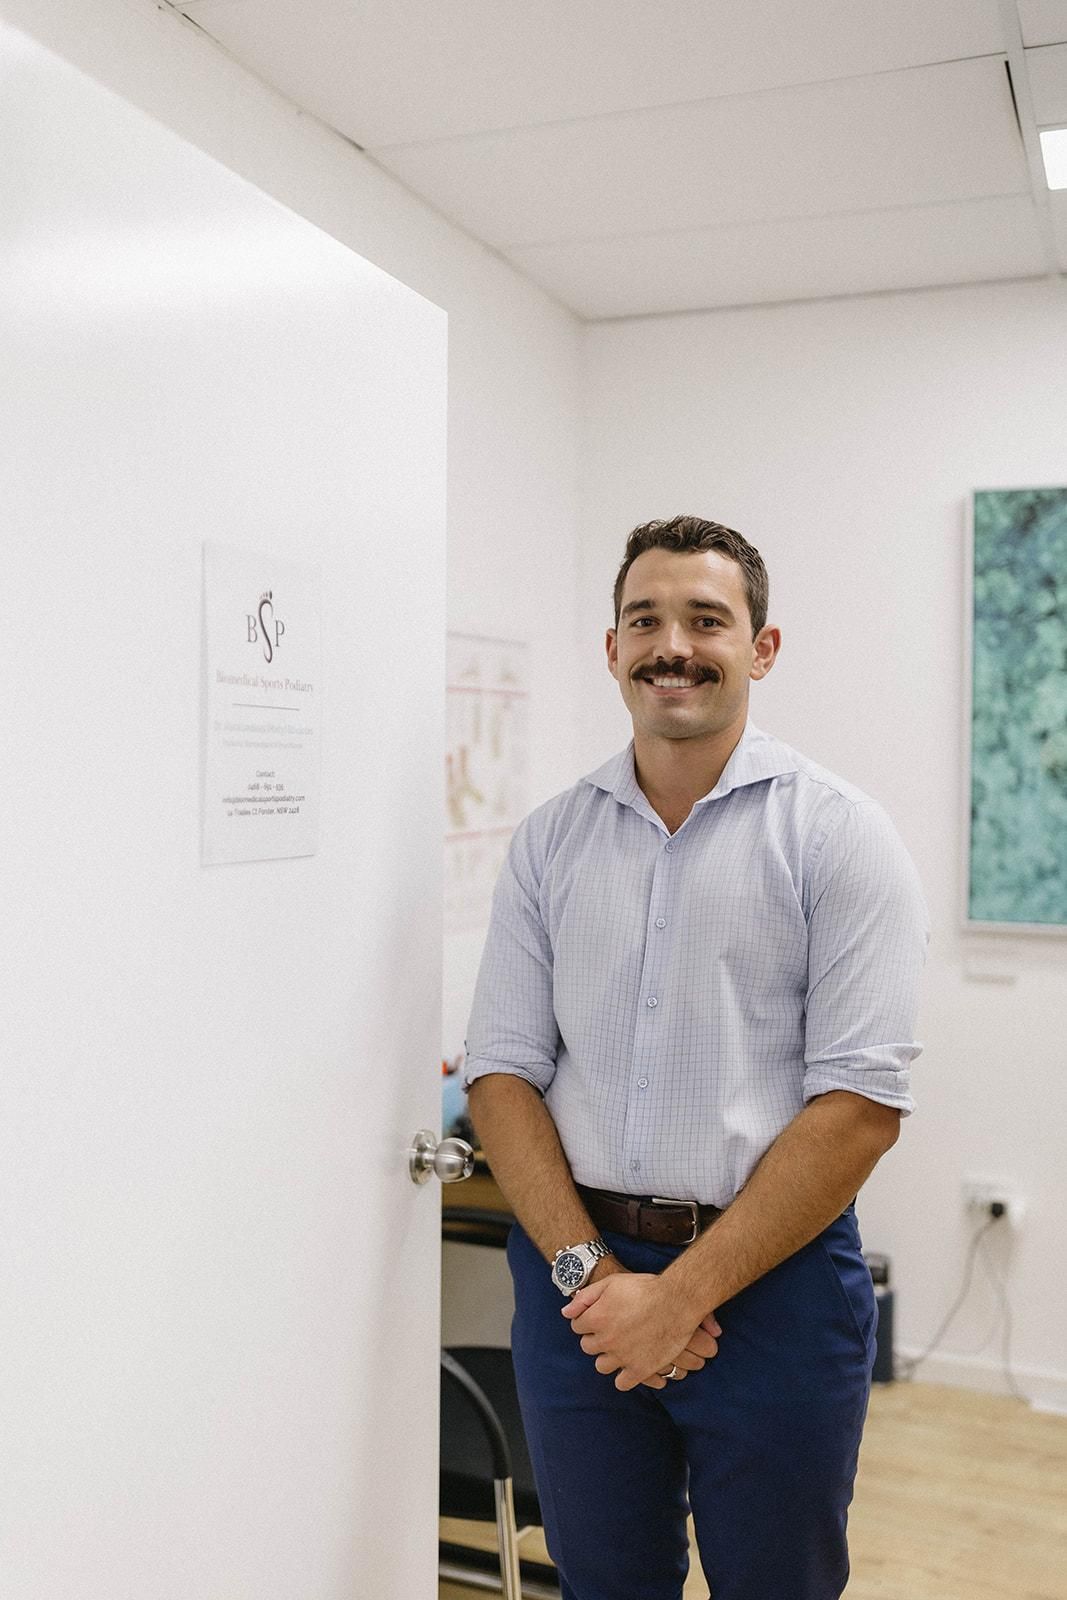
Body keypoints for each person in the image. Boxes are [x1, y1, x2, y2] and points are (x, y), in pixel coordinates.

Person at [463, 515, 927, 1600]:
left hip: (774, 1290)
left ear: (760, 648)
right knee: (599, 1583)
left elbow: (860, 1103)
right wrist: (594, 1278)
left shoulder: (836, 835)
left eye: (704, 619)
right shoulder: (549, 841)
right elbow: (499, 1072)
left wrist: (680, 1297)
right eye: (645, 620)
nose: (671, 643)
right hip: (576, 1282)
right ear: (612, 648)